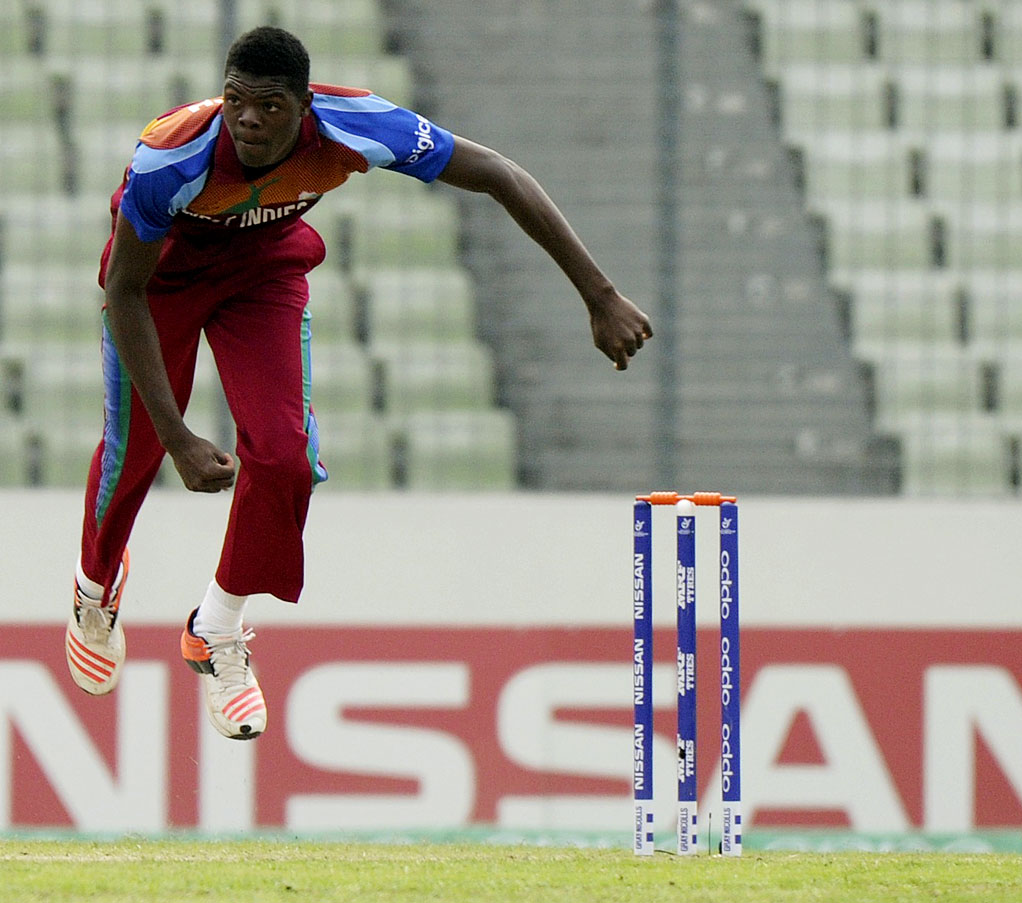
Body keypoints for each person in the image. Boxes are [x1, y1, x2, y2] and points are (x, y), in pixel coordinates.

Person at [65, 26, 653, 740]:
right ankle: (94, 588)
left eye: (270, 106)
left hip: (262, 273)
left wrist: (600, 294)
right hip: (160, 283)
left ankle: (216, 629)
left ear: (304, 107)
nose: (248, 119)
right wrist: (179, 433)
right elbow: (125, 290)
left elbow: (499, 173)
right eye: (235, 101)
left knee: (285, 458)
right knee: (138, 451)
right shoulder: (173, 152)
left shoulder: (357, 126)